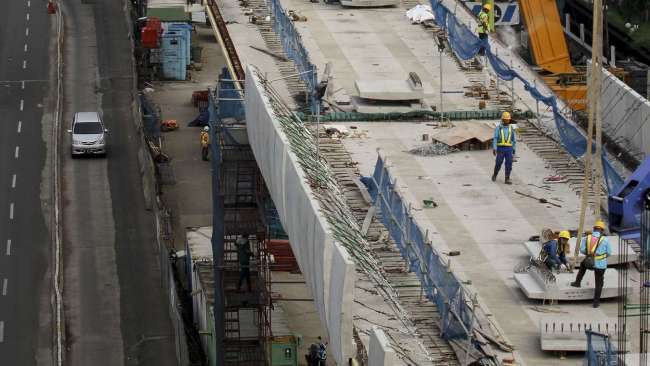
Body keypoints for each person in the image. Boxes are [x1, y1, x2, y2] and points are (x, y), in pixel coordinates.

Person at [570, 220, 612, 308]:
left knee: (582, 265)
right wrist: (601, 256)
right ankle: (596, 303)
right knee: (599, 282)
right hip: (600, 265)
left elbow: (582, 250)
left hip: (589, 262)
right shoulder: (605, 240)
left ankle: (577, 282)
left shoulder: (587, 238)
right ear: (602, 230)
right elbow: (609, 253)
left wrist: (589, 255)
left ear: (594, 229)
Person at [491, 112, 516, 184]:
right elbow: (495, 138)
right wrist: (494, 148)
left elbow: (514, 140)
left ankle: (507, 178)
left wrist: (514, 149)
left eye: (507, 120)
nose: (506, 121)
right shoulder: (498, 128)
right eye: (505, 119)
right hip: (500, 148)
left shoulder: (511, 128)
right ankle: (495, 174)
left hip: (509, 149)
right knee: (498, 162)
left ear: (509, 120)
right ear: (502, 119)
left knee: (509, 163)